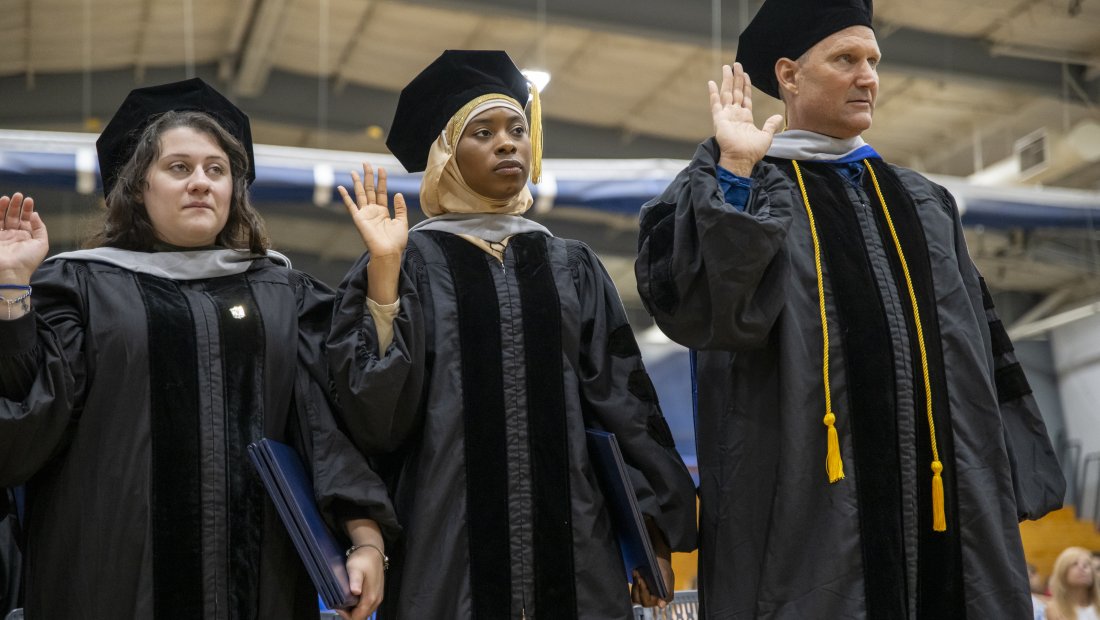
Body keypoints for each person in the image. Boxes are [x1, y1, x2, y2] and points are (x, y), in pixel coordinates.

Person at [634, 0, 1066, 617]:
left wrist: (1009, 472)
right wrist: (732, 169)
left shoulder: (923, 203)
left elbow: (980, 350)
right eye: (846, 59)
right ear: (788, 75)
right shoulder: (744, 189)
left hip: (947, 508)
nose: (869, 77)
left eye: (873, 60)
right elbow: (706, 311)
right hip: (807, 519)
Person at [0, 78, 398, 620]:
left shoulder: (281, 295)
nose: (201, 184)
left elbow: (325, 428)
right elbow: (23, 427)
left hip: (259, 584)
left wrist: (365, 536)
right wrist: (12, 293)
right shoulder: (82, 288)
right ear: (138, 186)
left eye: (217, 170)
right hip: (111, 579)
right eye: (179, 168)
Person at [326, 50, 697, 619]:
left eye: (517, 129)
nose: (507, 144)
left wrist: (651, 534)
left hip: (578, 550)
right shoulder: (410, 263)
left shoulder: (571, 265)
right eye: (483, 132)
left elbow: (624, 407)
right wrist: (383, 278)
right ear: (446, 154)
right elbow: (371, 416)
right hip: (446, 554)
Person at [1045, 547, 1100, 620]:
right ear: (1062, 572)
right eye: (1074, 564)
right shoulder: (1054, 609)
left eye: (1087, 564)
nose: (1082, 568)